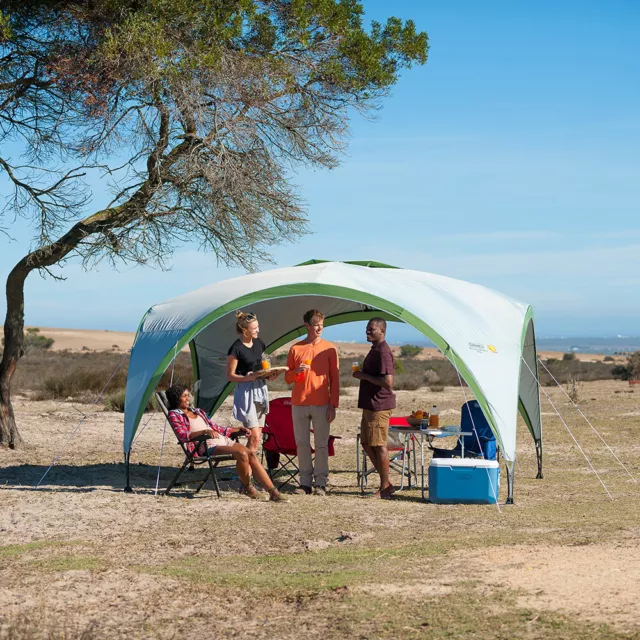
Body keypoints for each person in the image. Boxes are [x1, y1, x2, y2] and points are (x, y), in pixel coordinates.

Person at [165, 384, 286, 502]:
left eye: (188, 395)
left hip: (223, 440)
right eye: (184, 396)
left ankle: (273, 492)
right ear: (176, 398)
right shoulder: (174, 415)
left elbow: (216, 428)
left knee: (251, 454)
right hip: (206, 446)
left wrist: (237, 429)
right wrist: (205, 431)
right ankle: (248, 488)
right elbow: (182, 436)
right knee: (242, 453)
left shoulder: (198, 411)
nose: (188, 399)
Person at [285, 309, 340, 496]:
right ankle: (305, 483)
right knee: (302, 444)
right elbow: (287, 378)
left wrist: (333, 404)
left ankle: (321, 483)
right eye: (316, 324)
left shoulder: (330, 348)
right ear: (307, 326)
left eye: (322, 325)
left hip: (322, 403)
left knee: (321, 444)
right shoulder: (295, 348)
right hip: (299, 403)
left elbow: (335, 378)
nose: (320, 328)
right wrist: (296, 371)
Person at [353, 317, 397, 499]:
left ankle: (384, 487)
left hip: (379, 405)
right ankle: (386, 482)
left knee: (379, 445)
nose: (367, 332)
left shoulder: (384, 353)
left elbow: (388, 382)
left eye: (371, 329)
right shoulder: (375, 350)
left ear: (382, 331)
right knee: (366, 442)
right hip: (370, 405)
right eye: (367, 328)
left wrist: (363, 375)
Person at [226, 310, 282, 453]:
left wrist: (269, 376)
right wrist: (247, 378)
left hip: (260, 390)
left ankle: (248, 469)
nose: (258, 330)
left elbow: (260, 368)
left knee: (257, 438)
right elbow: (230, 376)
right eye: (255, 328)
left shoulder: (259, 344)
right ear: (245, 330)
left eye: (258, 327)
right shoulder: (236, 348)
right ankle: (246, 468)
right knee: (255, 436)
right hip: (246, 392)